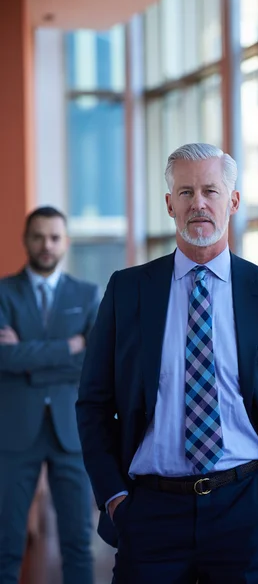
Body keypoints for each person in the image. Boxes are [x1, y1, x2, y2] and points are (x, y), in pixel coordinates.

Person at [76, 143, 258, 584]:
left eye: (210, 190)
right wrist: (115, 497)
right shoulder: (127, 291)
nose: (198, 203)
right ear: (169, 203)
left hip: (247, 509)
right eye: (186, 191)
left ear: (231, 201)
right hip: (150, 513)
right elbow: (93, 404)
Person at [0, 206, 99, 584]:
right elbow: (2, 356)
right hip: (14, 431)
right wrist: (70, 345)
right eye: (38, 236)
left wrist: (25, 354)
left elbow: (92, 362)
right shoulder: (3, 293)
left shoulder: (88, 295)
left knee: (77, 542)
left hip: (70, 430)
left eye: (54, 237)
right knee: (6, 541)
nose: (46, 245)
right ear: (26, 240)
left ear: (66, 242)